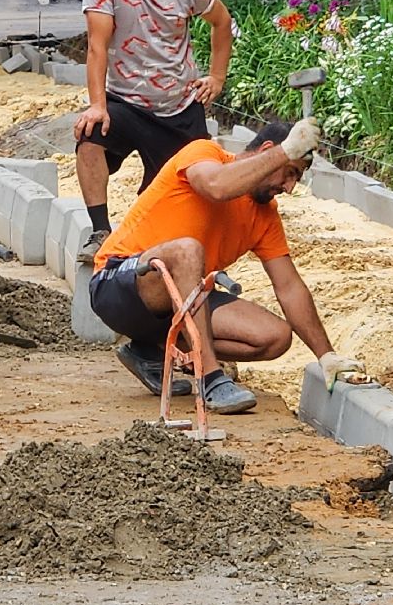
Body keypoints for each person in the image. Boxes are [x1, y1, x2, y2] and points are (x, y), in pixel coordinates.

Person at [89, 118, 362, 414]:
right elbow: (217, 187)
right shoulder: (204, 153)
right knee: (187, 250)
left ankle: (149, 350)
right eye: (290, 173)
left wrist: (326, 356)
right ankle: (209, 378)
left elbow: (289, 288)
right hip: (118, 282)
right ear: (268, 151)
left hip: (179, 301)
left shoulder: (265, 216)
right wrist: (286, 152)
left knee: (275, 337)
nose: (289, 187)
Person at [74, 0, 233, 264]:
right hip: (125, 101)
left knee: (181, 193)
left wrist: (216, 77)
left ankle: (155, 248)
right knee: (88, 135)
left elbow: (222, 22)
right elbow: (97, 46)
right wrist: (97, 105)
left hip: (179, 105)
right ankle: (100, 232)